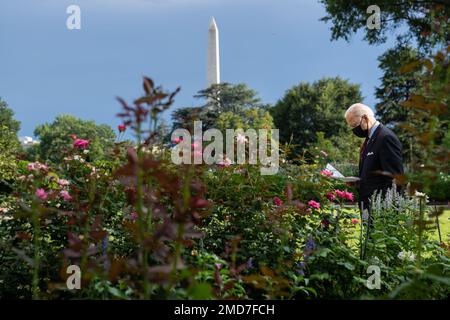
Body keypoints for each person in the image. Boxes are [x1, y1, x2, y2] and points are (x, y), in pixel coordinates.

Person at [344, 103, 404, 257]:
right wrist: (359, 182)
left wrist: (389, 212)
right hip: (369, 207)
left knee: (383, 253)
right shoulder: (370, 140)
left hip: (382, 212)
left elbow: (395, 178)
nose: (353, 130)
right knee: (371, 252)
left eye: (354, 125)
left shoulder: (386, 138)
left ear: (365, 118)